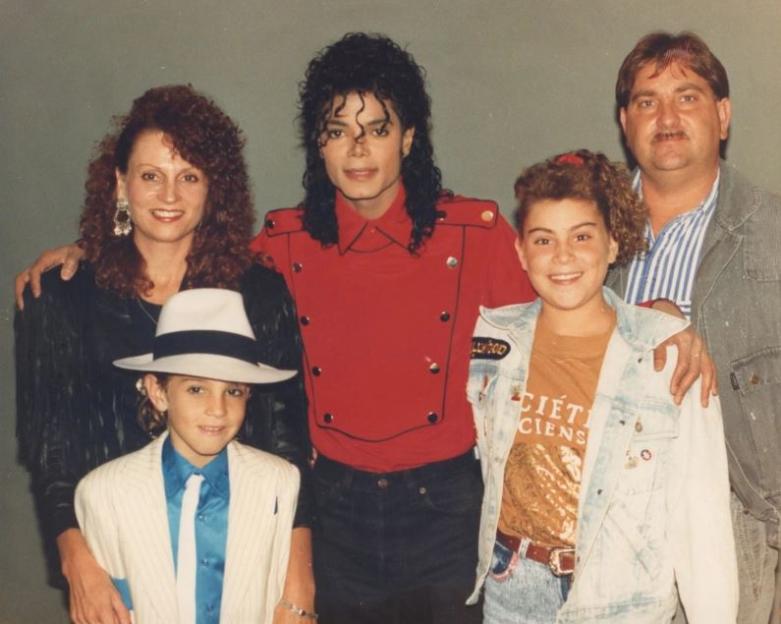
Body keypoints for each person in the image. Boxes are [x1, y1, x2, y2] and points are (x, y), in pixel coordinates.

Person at [15, 33, 713, 623]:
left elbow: (566, 301)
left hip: (446, 511)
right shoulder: (279, 248)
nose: (357, 149)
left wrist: (659, 321)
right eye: (336, 131)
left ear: (408, 138)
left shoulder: (474, 234)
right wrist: (84, 252)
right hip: (334, 513)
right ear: (317, 146)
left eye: (376, 128)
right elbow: (182, 267)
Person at [14, 85, 314, 624]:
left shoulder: (258, 295)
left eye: (189, 177)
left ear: (212, 190)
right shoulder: (60, 296)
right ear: (120, 185)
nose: (169, 195)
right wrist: (77, 563)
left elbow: (289, 442)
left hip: (237, 558)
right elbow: (49, 449)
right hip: (113, 554)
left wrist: (299, 582)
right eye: (151, 175)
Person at [468, 150, 737, 623]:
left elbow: (702, 518)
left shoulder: (666, 356)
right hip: (512, 591)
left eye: (582, 236)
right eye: (544, 239)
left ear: (613, 245)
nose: (564, 256)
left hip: (621, 599)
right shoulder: (493, 341)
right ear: (521, 253)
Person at [607, 32, 781, 624]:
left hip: (744, 535)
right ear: (626, 120)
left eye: (688, 97)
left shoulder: (776, 235)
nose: (667, 117)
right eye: (647, 101)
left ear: (723, 115)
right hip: (608, 524)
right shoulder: (576, 235)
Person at [75, 288, 300, 623]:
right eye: (196, 389)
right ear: (158, 392)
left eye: (233, 391)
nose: (218, 409)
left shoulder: (278, 482)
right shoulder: (104, 493)